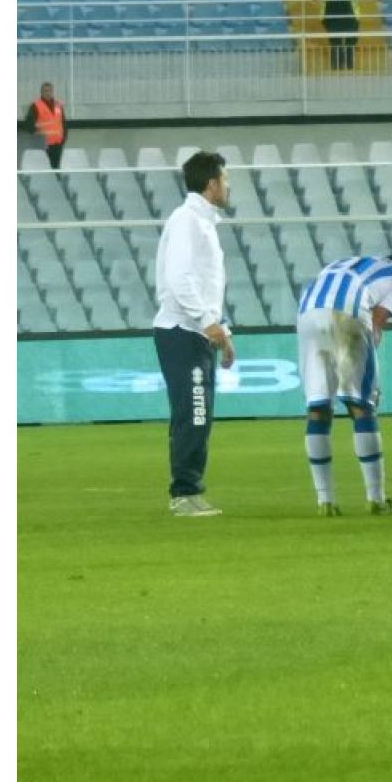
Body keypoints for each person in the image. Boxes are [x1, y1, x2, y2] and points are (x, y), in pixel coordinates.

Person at [295, 253, 392, 515]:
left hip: (307, 313)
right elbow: (377, 321)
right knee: (360, 405)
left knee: (318, 408)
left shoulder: (347, 263)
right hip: (346, 311)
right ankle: (376, 499)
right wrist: (371, 379)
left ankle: (325, 501)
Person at [153, 150, 235, 516]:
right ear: (212, 183)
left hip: (193, 331)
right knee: (194, 412)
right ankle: (184, 492)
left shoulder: (202, 222)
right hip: (182, 331)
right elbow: (180, 278)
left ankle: (188, 489)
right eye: (226, 180)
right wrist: (206, 321)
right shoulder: (188, 220)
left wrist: (221, 330)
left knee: (197, 413)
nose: (228, 186)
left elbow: (204, 284)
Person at [312, 0, 374, 71]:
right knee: (336, 42)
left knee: (351, 41)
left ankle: (350, 65)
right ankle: (337, 66)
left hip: (350, 17)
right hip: (332, 18)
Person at [24, 82, 68, 169]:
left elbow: (63, 122)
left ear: (52, 92)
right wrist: (38, 137)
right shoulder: (36, 105)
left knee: (56, 167)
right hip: (44, 144)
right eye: (45, 91)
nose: (48, 93)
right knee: (44, 167)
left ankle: (56, 177)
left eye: (50, 91)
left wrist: (64, 137)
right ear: (41, 92)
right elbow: (28, 124)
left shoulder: (58, 105)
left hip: (58, 143)